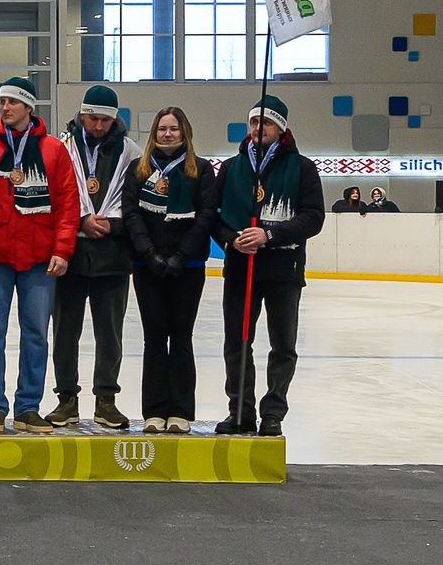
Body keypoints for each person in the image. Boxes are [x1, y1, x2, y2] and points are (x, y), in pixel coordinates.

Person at [0, 77, 78, 434]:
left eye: (12, 101)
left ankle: (28, 407)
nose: (5, 107)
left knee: (36, 335)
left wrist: (62, 249)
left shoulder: (54, 151)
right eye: (1, 101)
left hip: (39, 259)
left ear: (29, 107)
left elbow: (68, 205)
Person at [214, 94, 323, 438]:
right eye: (255, 122)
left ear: (282, 128)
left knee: (282, 345)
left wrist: (269, 235)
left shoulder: (302, 167)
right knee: (237, 343)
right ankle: (240, 411)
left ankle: (273, 411)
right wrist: (232, 239)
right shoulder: (232, 168)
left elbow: (313, 218)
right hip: (240, 269)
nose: (259, 128)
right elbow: (213, 217)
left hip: (283, 270)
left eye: (267, 122)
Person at [126, 106, 217, 433]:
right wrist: (149, 254)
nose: (167, 134)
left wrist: (181, 255)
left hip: (187, 268)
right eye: (162, 129)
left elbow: (206, 216)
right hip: (146, 267)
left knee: (181, 337)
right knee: (154, 338)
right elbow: (132, 216)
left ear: (184, 133)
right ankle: (153, 411)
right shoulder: (138, 170)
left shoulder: (201, 171)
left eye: (174, 129)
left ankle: (180, 411)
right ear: (154, 133)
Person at [53, 85, 135, 430]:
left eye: (105, 120)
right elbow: (55, 195)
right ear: (81, 115)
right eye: (92, 118)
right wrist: (81, 221)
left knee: (110, 333)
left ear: (114, 119)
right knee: (64, 333)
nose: (98, 126)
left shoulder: (131, 153)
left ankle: (106, 400)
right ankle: (66, 400)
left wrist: (113, 226)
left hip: (113, 258)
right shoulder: (63, 147)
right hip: (70, 255)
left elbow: (135, 201)